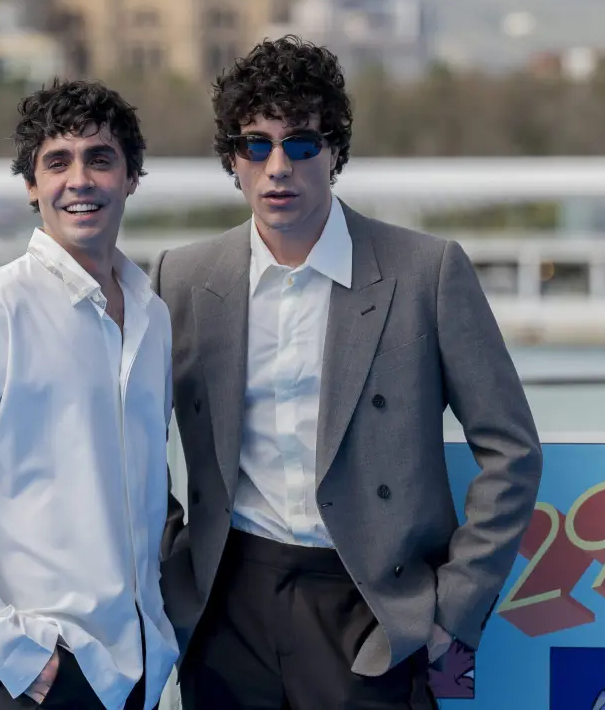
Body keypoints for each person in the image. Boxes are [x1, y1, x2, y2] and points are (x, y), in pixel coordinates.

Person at [151, 36, 543, 709]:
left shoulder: (427, 272)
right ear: (232, 159)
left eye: (301, 143)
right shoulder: (182, 278)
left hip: (373, 607)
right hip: (225, 605)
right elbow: (131, 445)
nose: (278, 167)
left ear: (334, 151)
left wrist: (453, 610)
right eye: (256, 145)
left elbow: (511, 450)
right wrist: (171, 568)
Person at [0, 78, 178, 710]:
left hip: (143, 668)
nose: (80, 180)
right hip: (47, 672)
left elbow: (146, 485)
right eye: (58, 162)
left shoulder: (153, 317)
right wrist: (9, 648)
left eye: (100, 159)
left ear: (131, 177)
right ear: (31, 185)